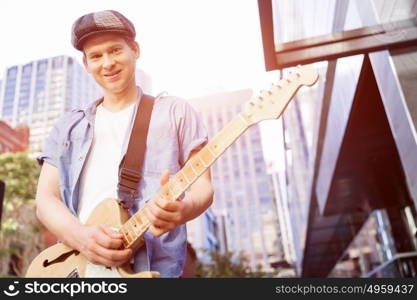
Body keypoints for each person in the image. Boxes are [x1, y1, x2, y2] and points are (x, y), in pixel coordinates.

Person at [35, 10, 213, 278]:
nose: (107, 63)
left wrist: (184, 210)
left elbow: (204, 187)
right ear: (86, 64)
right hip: (76, 271)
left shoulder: (175, 112)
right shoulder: (68, 126)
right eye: (96, 56)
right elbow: (45, 199)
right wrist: (82, 238)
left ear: (135, 50)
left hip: (152, 269)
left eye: (115, 50)